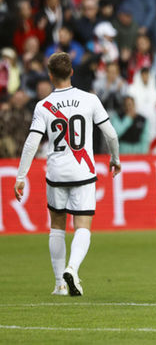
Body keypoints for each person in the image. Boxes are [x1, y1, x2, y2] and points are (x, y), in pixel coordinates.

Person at [13, 52, 121, 296]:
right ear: (72, 72)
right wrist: (115, 159)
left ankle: (59, 283)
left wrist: (21, 177)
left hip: (57, 173)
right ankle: (72, 268)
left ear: (50, 76)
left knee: (57, 227)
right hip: (83, 172)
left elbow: (32, 143)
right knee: (83, 226)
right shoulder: (90, 99)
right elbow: (111, 134)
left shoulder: (43, 106)